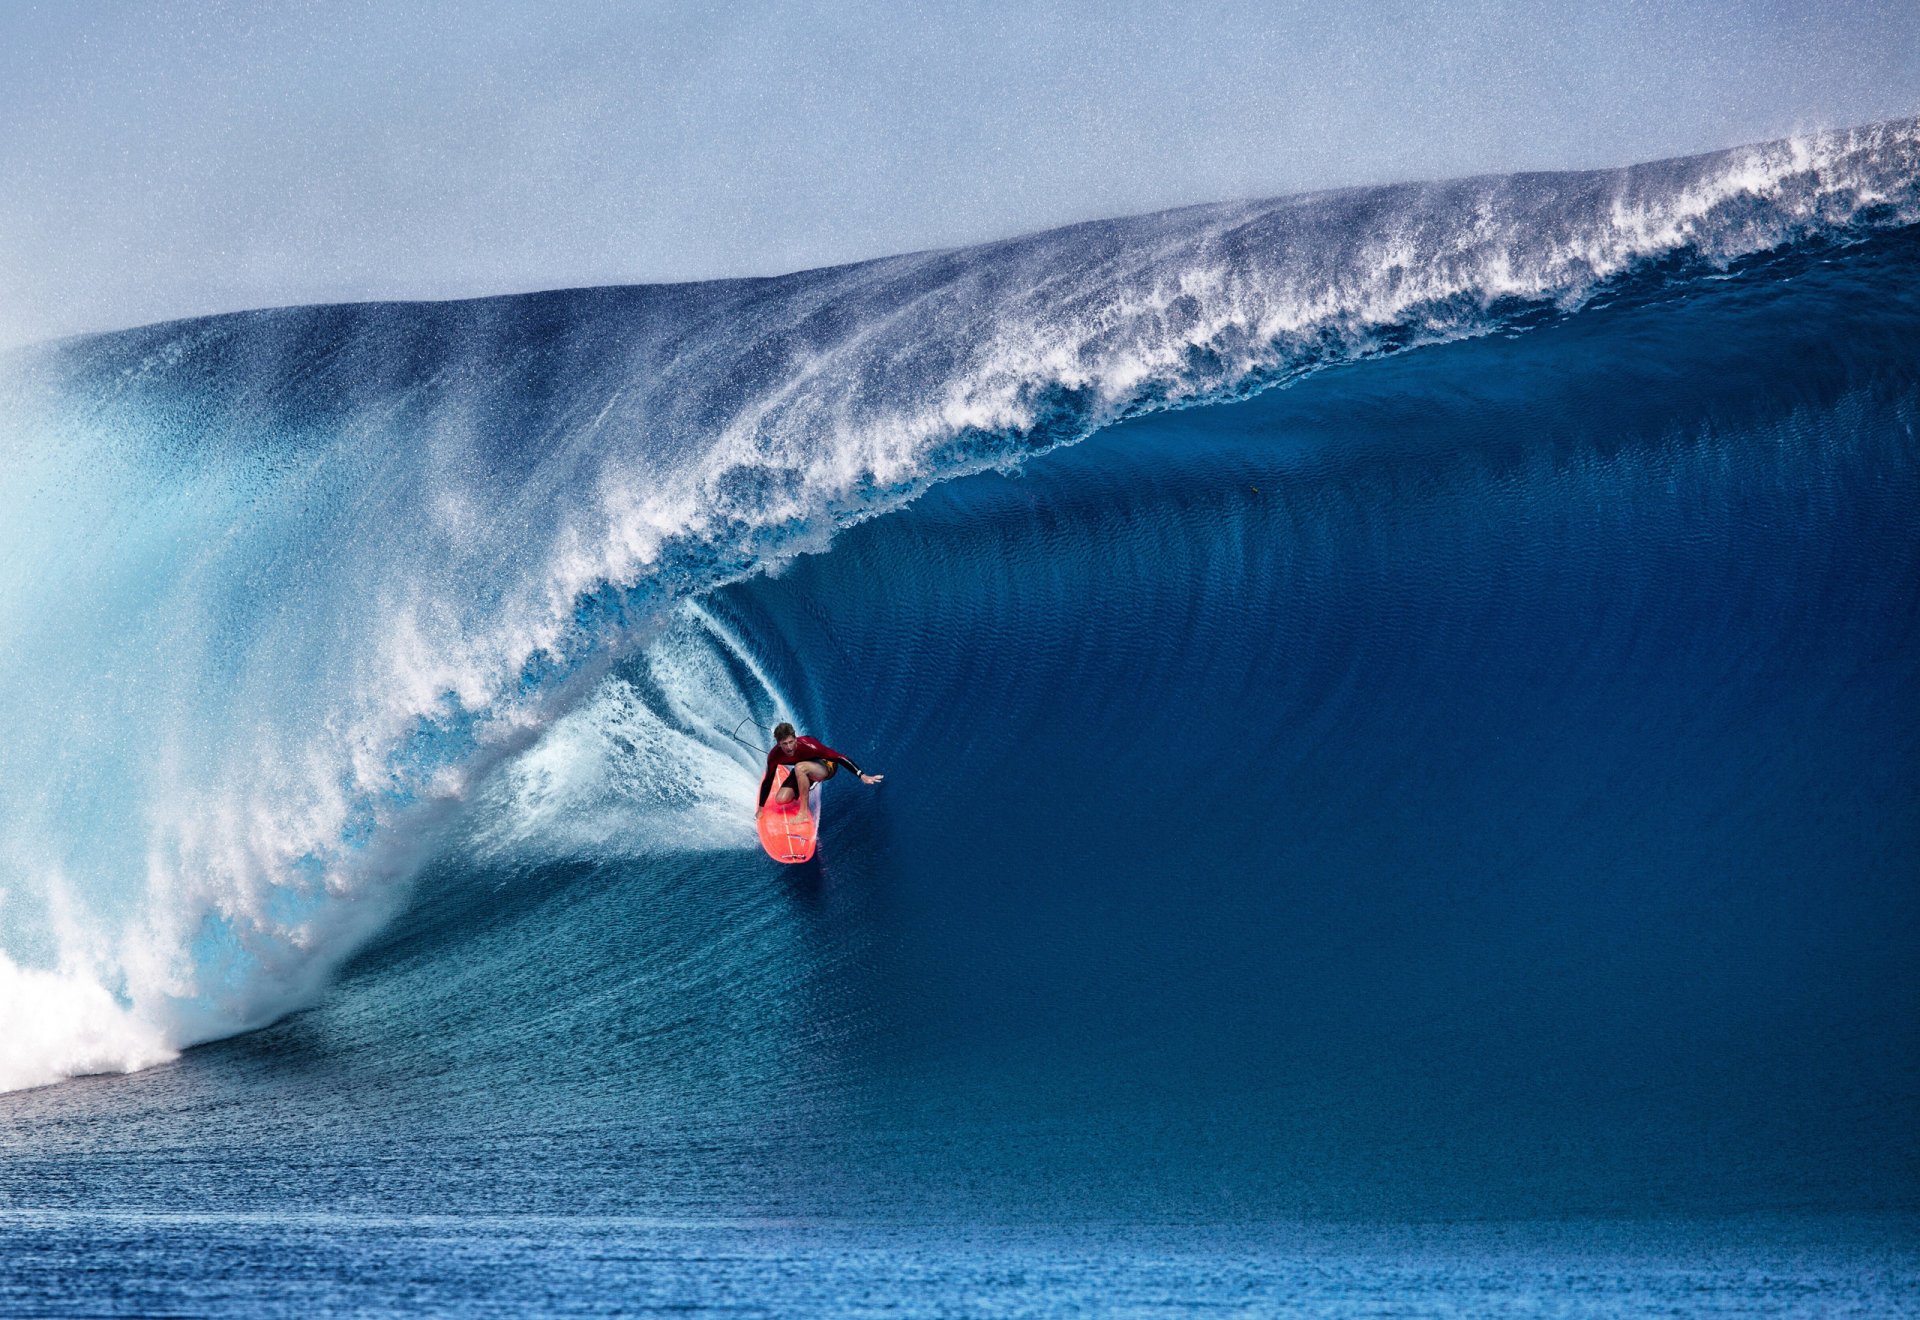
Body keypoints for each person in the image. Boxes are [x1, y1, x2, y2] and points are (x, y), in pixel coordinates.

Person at [757, 722, 882, 823]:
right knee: (780, 799)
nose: (789, 747)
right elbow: (768, 780)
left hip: (826, 766)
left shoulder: (809, 745)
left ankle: (803, 813)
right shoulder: (774, 756)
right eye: (784, 744)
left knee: (800, 767)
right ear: (778, 744)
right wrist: (760, 808)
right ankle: (806, 783)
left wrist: (862, 775)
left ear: (795, 738)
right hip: (806, 767)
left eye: (791, 742)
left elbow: (839, 757)